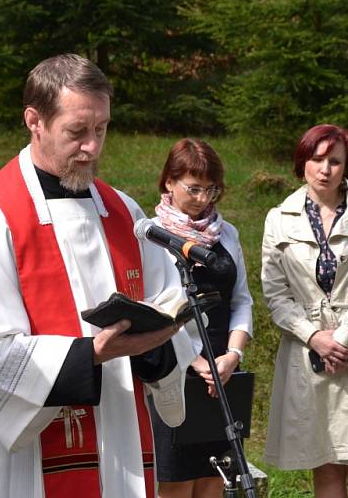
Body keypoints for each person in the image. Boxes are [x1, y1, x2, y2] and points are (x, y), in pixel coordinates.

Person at [0, 54, 202, 498]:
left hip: (120, 438)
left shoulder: (124, 212)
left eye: (101, 129)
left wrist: (153, 350)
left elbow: (169, 306)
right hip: (27, 460)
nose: (92, 147)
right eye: (77, 132)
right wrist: (91, 356)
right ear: (35, 121)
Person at [262, 124, 348, 498]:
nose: (325, 168)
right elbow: (275, 294)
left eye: (335, 160)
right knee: (323, 465)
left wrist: (340, 338)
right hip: (308, 353)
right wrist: (315, 337)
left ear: (347, 167)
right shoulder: (279, 218)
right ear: (303, 162)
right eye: (317, 158)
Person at [148, 138, 253, 498]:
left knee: (215, 481)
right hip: (173, 374)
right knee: (177, 483)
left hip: (223, 375)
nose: (203, 199)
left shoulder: (228, 235)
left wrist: (232, 357)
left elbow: (241, 301)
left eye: (212, 190)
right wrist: (193, 359)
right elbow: (150, 310)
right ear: (169, 182)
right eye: (193, 189)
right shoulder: (150, 236)